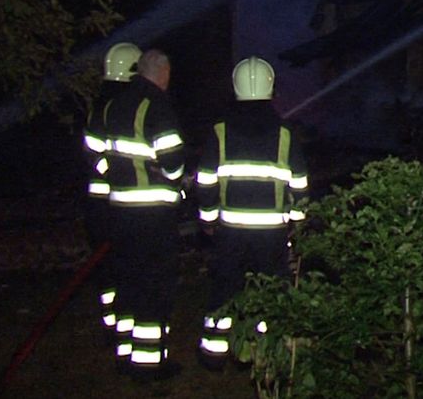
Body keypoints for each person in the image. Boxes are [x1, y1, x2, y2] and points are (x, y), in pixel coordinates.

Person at [195, 56, 309, 370]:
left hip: (229, 231)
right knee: (271, 291)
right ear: (271, 87)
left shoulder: (220, 131)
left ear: (235, 87)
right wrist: (297, 227)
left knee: (224, 288)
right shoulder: (285, 133)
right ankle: (268, 354)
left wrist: (208, 220)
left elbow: (205, 180)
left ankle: (214, 354)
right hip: (272, 234)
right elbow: (300, 186)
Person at [99, 48, 186, 380]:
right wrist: (173, 177)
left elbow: (100, 158)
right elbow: (173, 163)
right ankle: (149, 364)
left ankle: (125, 353)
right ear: (162, 73)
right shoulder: (157, 105)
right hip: (153, 214)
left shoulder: (114, 105)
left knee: (129, 280)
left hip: (119, 210)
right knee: (154, 284)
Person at [81, 42, 141, 340]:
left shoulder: (100, 107)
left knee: (110, 268)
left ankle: (114, 323)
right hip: (112, 204)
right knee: (122, 264)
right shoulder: (118, 108)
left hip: (100, 204)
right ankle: (120, 324)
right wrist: (121, 173)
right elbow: (97, 155)